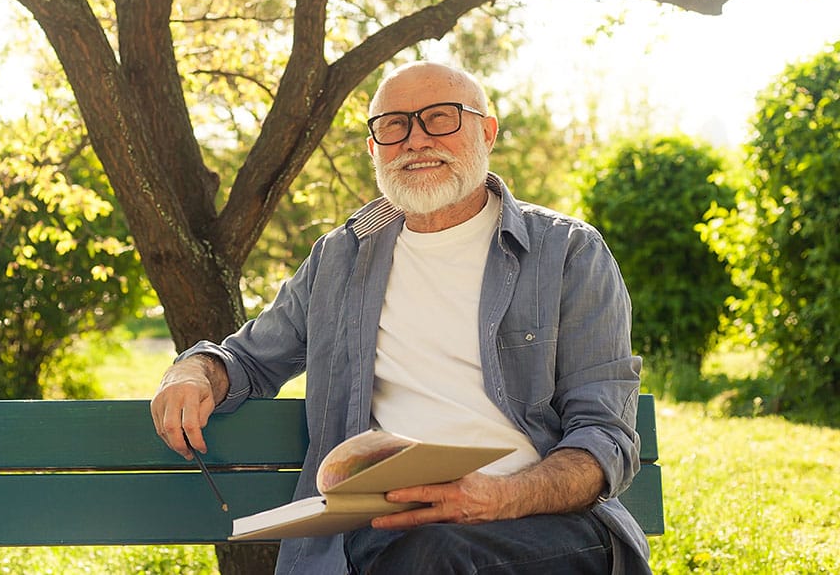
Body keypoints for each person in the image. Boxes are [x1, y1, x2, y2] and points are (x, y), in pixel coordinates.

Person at [151, 61, 650, 574]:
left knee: (441, 554)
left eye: (440, 118)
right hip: (390, 530)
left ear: (486, 132)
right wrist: (193, 371)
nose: (415, 140)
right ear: (373, 148)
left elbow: (603, 435)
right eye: (394, 125)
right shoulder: (341, 257)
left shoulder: (568, 253)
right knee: (422, 551)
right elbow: (248, 360)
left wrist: (499, 497)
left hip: (544, 524)